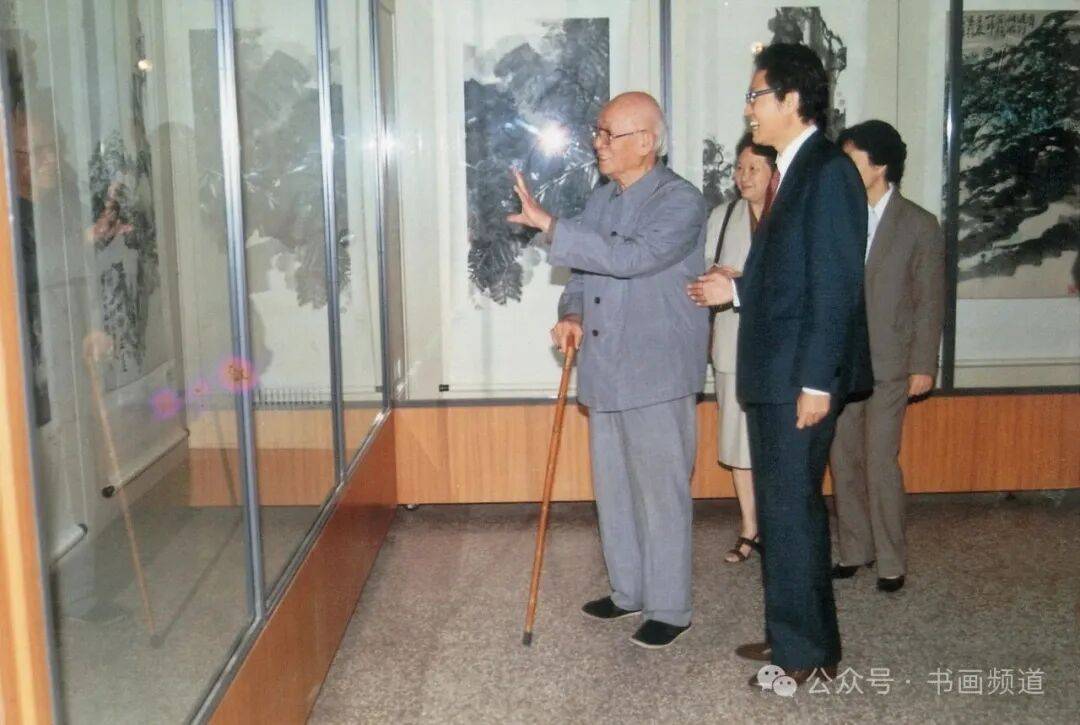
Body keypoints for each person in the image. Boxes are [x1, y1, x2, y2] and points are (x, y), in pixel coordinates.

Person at [686, 44, 872, 685]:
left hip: (799, 379)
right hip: (778, 373)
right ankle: (798, 638)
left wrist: (817, 382)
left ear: (792, 99)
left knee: (791, 514)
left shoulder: (827, 172)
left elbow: (835, 285)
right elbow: (790, 275)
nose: (748, 108)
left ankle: (803, 656)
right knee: (785, 512)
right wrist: (736, 289)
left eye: (756, 95)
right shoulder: (793, 170)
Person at [508, 91, 708, 649]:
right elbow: (583, 273)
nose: (598, 143)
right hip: (605, 365)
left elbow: (629, 259)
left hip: (657, 369)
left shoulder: (680, 201)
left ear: (645, 142)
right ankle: (628, 591)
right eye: (597, 132)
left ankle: (670, 607)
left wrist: (550, 224)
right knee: (614, 488)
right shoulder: (602, 198)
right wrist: (571, 313)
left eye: (608, 134)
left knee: (661, 494)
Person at [829, 120, 945, 593]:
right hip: (843, 362)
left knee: (879, 461)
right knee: (843, 458)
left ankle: (891, 561)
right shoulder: (839, 216)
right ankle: (854, 550)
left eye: (851, 158)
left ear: (878, 165)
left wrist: (923, 365)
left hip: (891, 364)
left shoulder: (919, 224)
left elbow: (929, 301)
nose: (844, 167)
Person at [700, 133, 776, 564]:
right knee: (737, 439)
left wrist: (741, 281)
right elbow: (702, 274)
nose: (744, 177)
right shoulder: (723, 216)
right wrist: (717, 275)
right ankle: (750, 527)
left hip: (780, 348)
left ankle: (778, 526)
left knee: (777, 441)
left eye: (754, 169)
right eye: (739, 168)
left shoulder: (789, 216)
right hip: (732, 343)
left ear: (774, 174)